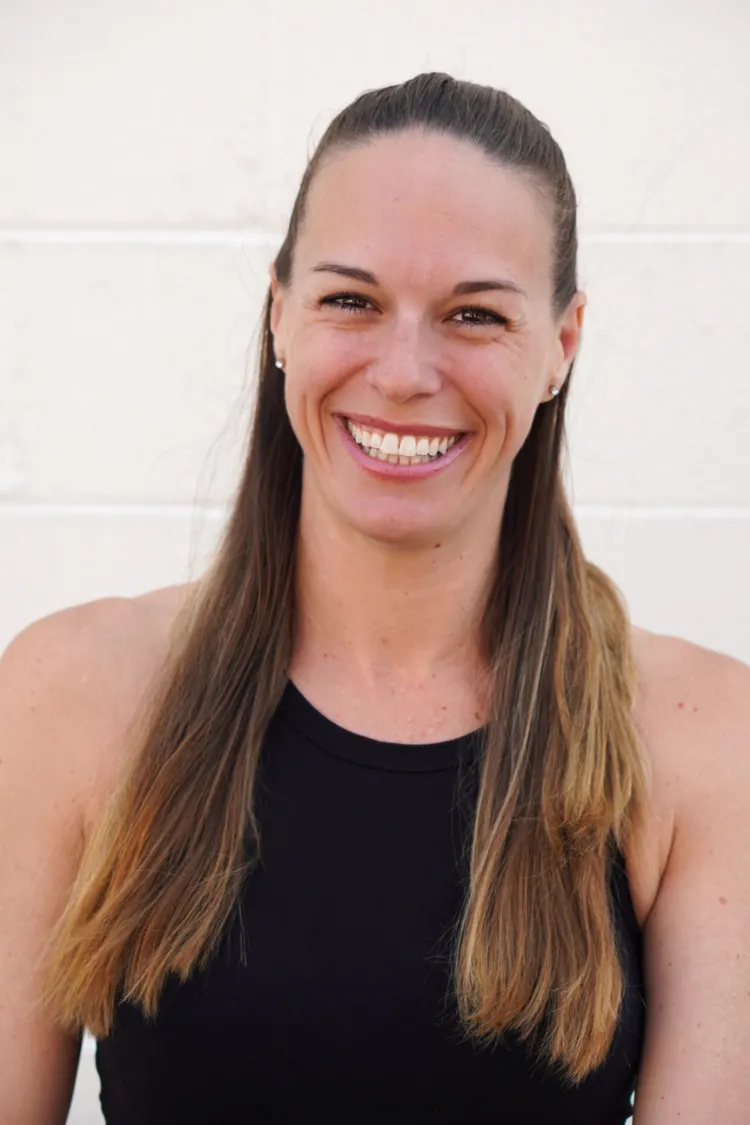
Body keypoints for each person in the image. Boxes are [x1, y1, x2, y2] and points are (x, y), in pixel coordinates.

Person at [1, 72, 748, 1125]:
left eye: (474, 315)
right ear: (279, 314)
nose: (403, 371)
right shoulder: (68, 695)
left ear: (560, 349)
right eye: (351, 300)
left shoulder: (704, 738)